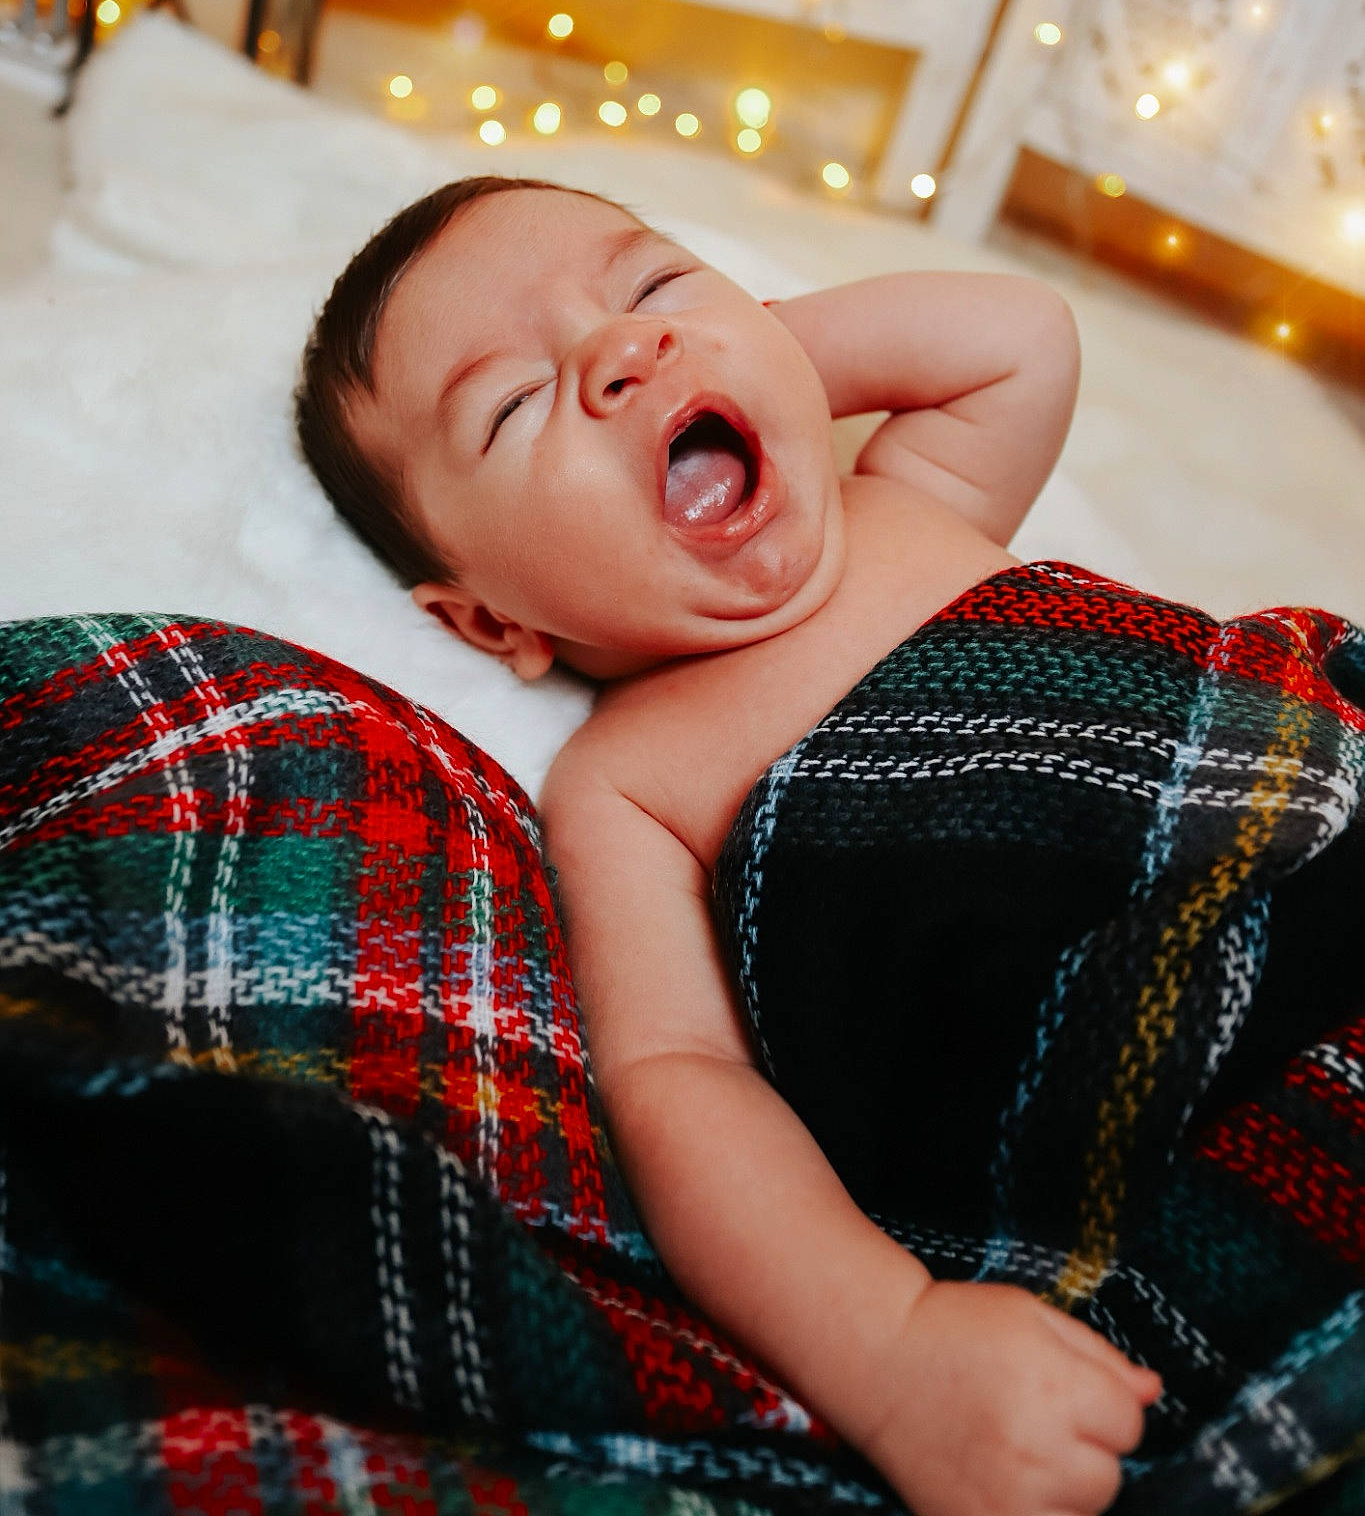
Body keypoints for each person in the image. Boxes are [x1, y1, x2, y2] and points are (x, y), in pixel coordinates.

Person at [297, 173, 1365, 1516]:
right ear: (491, 622)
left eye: (652, 282)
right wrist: (889, 1348)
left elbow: (1018, 333)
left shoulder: (913, 495)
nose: (619, 350)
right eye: (514, 404)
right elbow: (683, 1087)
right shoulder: (625, 783)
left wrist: (734, 355)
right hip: (1179, 1065)